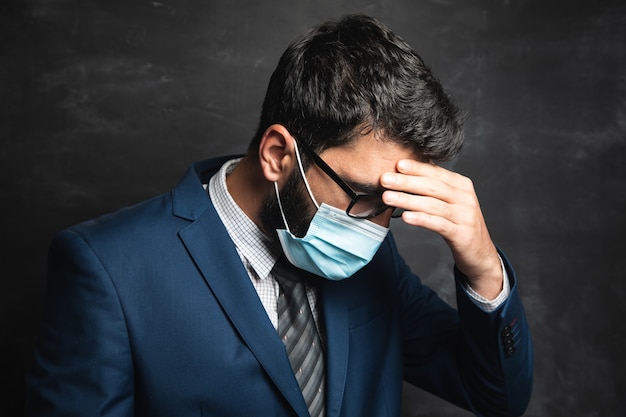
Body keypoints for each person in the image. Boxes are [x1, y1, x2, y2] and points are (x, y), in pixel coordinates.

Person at [24, 13, 533, 417]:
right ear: (277, 155)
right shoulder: (109, 269)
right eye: (364, 194)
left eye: (395, 204)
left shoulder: (372, 261)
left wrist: (483, 268)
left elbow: (496, 397)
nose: (378, 227)